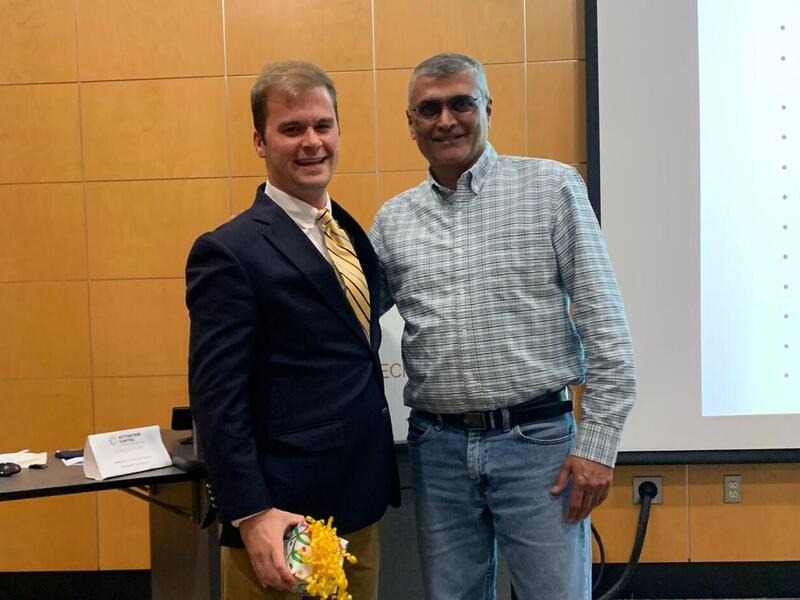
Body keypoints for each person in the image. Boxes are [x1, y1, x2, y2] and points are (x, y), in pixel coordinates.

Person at [369, 52, 636, 599]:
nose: (446, 120)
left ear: (488, 107)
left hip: (539, 447)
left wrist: (598, 445)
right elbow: (348, 321)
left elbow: (606, 326)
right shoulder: (392, 221)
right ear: (411, 125)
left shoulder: (552, 189)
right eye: (429, 109)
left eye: (461, 103)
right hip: (437, 449)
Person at [186, 60, 400, 600]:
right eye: (291, 129)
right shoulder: (228, 251)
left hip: (359, 503)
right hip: (282, 517)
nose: (312, 142)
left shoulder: (350, 231)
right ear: (260, 141)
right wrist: (250, 513)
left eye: (322, 126)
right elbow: (217, 397)